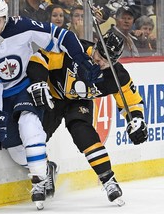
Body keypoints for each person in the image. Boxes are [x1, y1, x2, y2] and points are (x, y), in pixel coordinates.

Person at [0, 0, 102, 210]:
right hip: (5, 96)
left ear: (5, 17)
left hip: (28, 85)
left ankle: (38, 181)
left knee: (28, 124)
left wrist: (79, 58)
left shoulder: (21, 25)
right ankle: (46, 168)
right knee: (15, 151)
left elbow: (60, 35)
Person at [26, 31, 148, 206]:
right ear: (96, 46)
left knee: (83, 134)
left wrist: (136, 120)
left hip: (78, 102)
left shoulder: (116, 76)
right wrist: (38, 81)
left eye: (107, 61)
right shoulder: (76, 49)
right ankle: (44, 171)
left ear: (115, 61)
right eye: (100, 55)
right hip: (52, 95)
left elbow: (132, 102)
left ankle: (108, 180)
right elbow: (40, 58)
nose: (100, 61)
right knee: (35, 137)